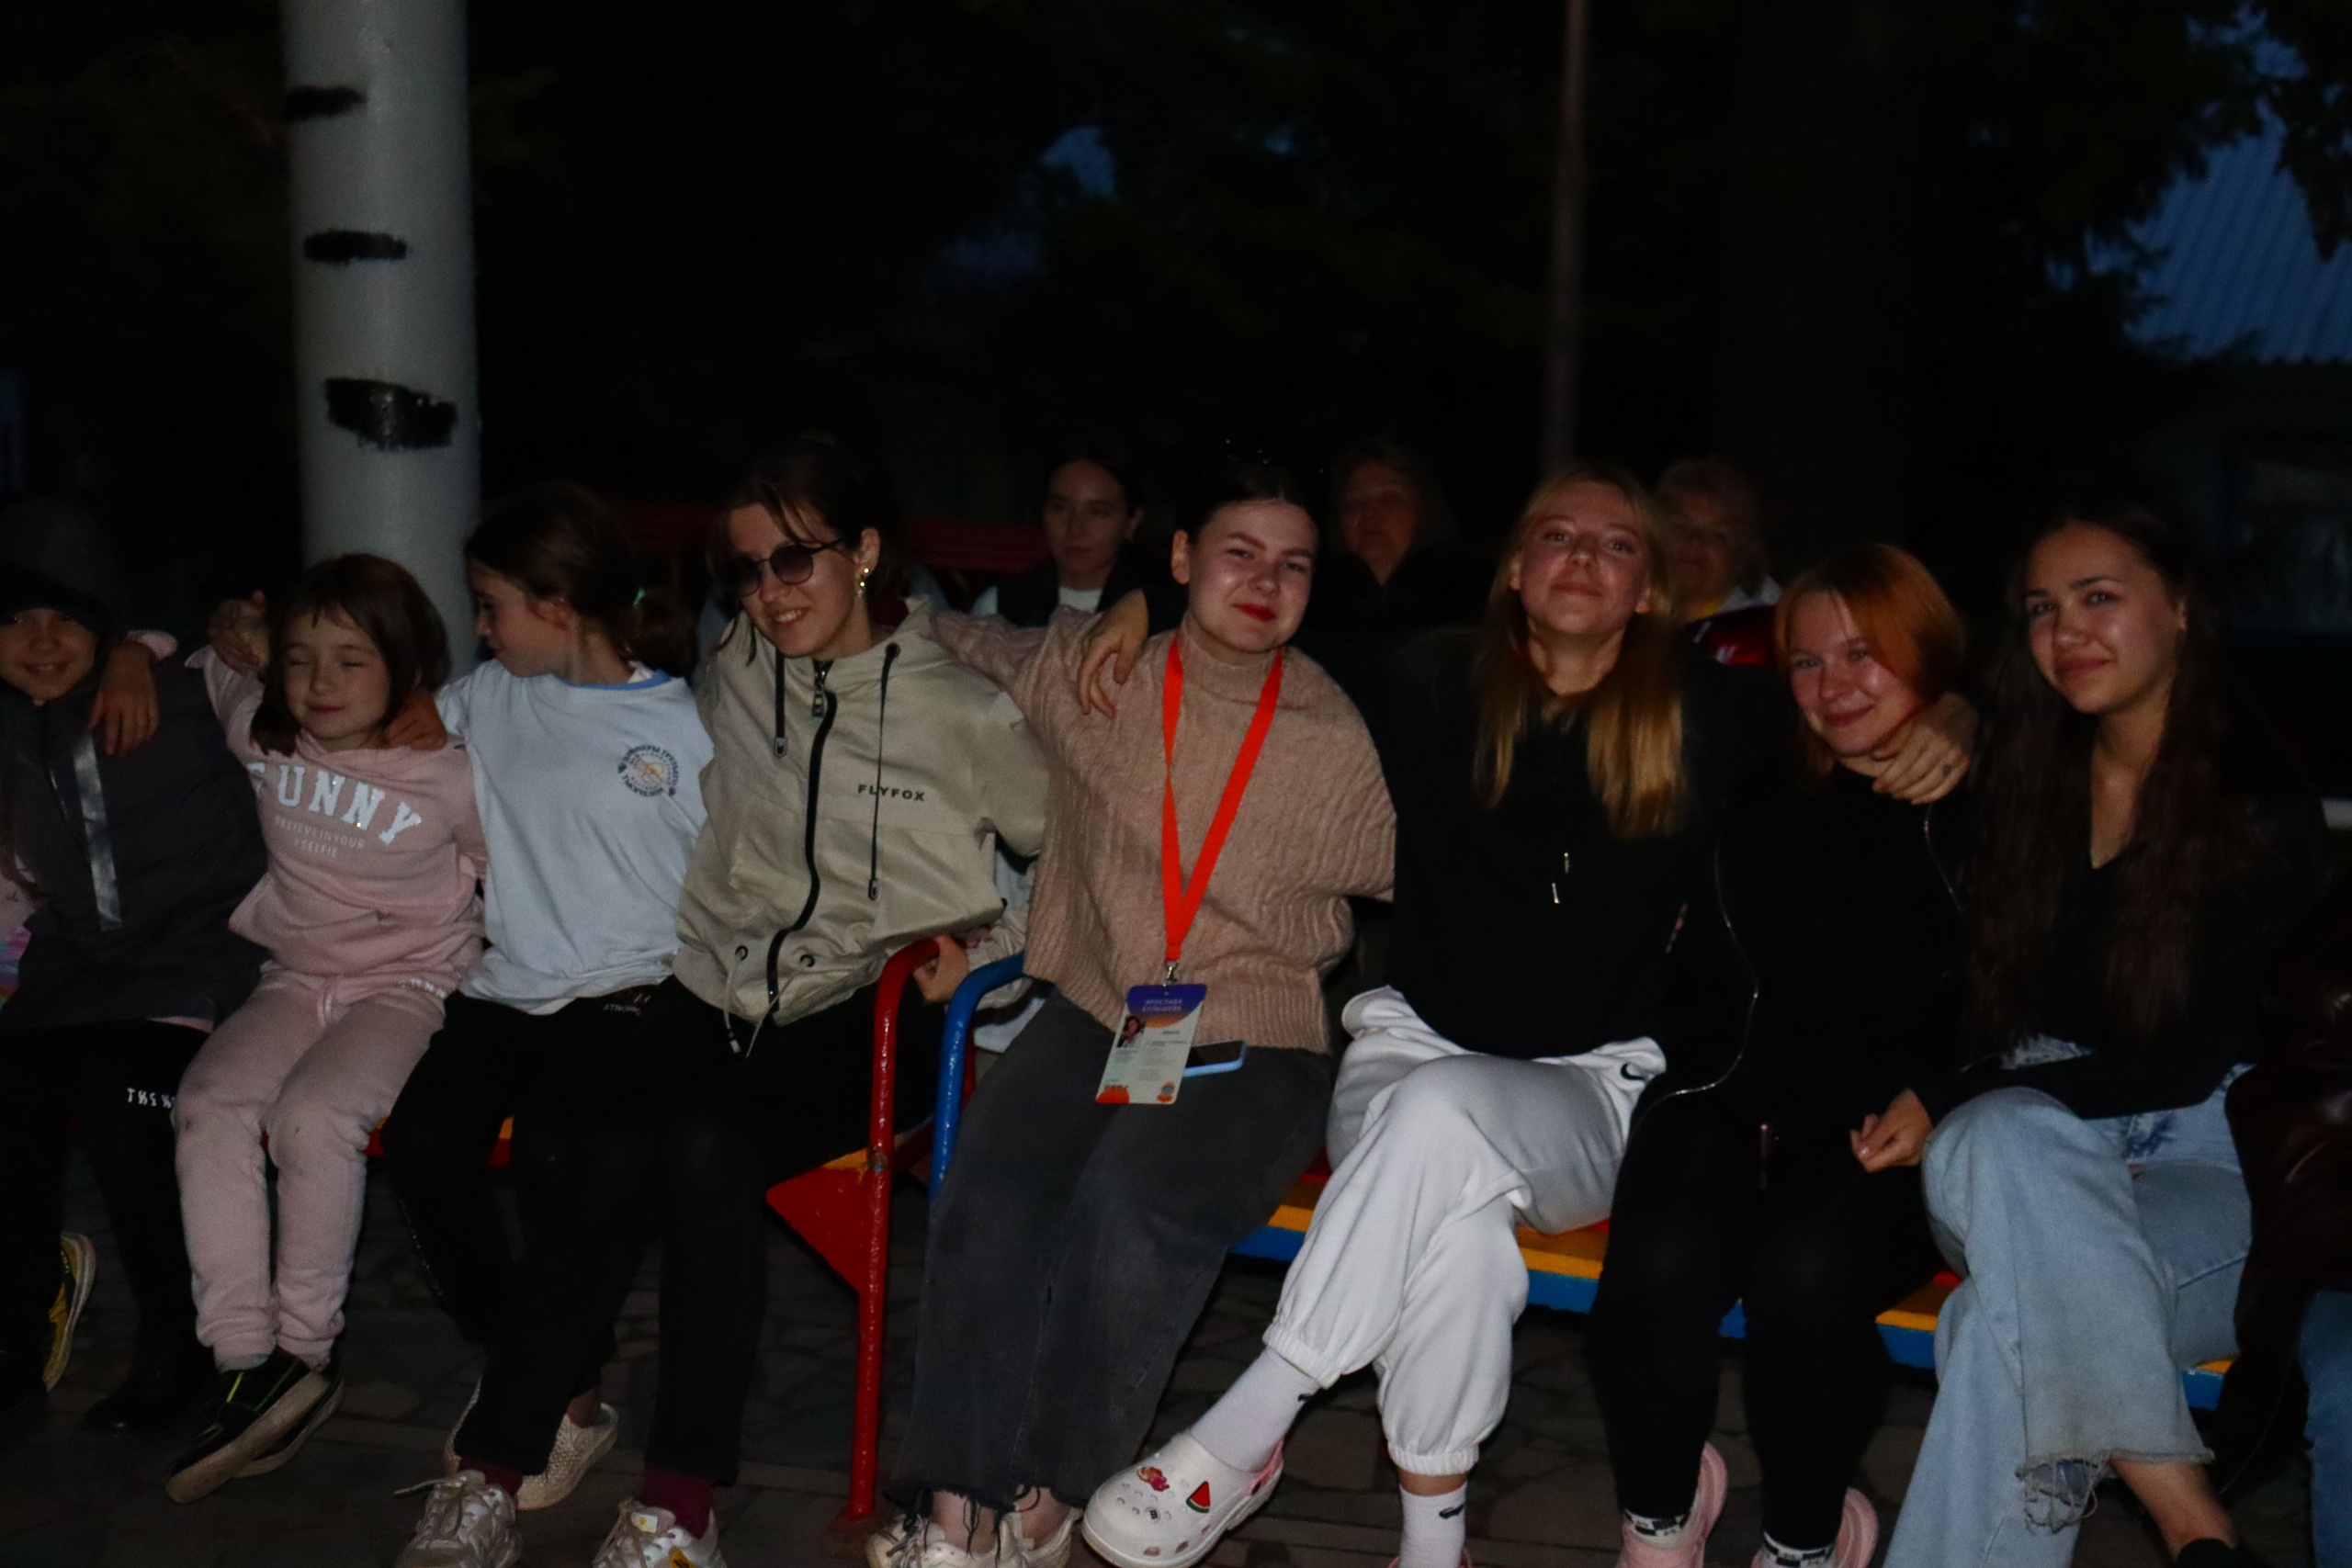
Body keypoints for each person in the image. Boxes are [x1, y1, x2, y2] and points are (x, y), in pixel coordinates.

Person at [1073, 468, 1973, 1568]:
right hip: (1411, 1047)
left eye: (1615, 543)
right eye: (1556, 535)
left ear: (1649, 590)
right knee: (1460, 1236)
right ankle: (1431, 1545)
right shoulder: (1427, 681)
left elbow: (1858, 706)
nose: (1583, 557)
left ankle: (1251, 1421)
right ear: (1512, 569)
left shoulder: (1708, 714)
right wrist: (1135, 599)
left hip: (1595, 1090)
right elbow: (1257, 619)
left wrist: (1958, 715)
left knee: (1441, 1119)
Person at [397, 434, 1046, 1568]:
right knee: (597, 1144)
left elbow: (1075, 848)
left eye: (795, 560)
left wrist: (1003, 944)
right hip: (720, 983)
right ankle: (494, 1468)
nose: (769, 592)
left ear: (864, 552)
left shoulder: (959, 707)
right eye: (746, 570)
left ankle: (680, 1506)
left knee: (703, 1151)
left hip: (874, 1002)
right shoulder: (740, 666)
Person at [872, 459, 1394, 1568]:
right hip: (1098, 1009)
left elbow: (1440, 860)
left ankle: (1051, 1487)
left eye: (1293, 565)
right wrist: (888, 606)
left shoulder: (1335, 737)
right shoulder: (1096, 679)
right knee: (988, 1192)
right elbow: (967, 638)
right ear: (1181, 560)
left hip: (1255, 1039)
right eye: (1238, 554)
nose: (1265, 583)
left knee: (1130, 1204)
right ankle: (956, 1504)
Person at [1871, 506, 2328, 1568]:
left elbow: (2190, 1056)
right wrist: (1957, 712)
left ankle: (2179, 1529)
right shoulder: (2019, 785)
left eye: (2098, 598)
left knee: (1998, 1321)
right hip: (2022, 1167)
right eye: (2041, 608)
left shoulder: (2259, 807)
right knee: (2002, 1139)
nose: (2065, 630)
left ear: (2180, 607)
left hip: (2206, 1160)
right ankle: (2194, 1524)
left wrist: (1948, 1098)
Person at [1588, 544, 1969, 1568]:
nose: (1834, 685)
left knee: (1803, 1272)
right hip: (1729, 1085)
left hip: (1889, 1117)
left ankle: (1807, 1535)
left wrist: (1943, 1092)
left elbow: (2021, 991)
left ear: (1925, 653)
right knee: (1659, 1261)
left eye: (1864, 653)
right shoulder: (1760, 766)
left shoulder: (1990, 800)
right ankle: (1660, 1515)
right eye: (1807, 660)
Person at [363, 486, 710, 1509]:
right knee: (423, 1144)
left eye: (491, 604)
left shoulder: (684, 724)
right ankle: (550, 1374)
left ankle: (558, 1395)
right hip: (506, 984)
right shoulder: (488, 695)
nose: (480, 626)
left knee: (559, 1154)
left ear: (557, 606)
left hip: (631, 990)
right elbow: (379, 713)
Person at [165, 555, 485, 1502]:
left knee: (313, 1119)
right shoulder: (264, 732)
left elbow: (513, 863)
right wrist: (193, 637)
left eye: (351, 660)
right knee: (210, 1105)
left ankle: (305, 1352)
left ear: (404, 667)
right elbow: (209, 654)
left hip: (409, 985)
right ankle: (246, 1358)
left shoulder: (450, 774)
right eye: (300, 658)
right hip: (294, 977)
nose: (319, 681)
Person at [0, 503, 267, 1437]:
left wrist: (143, 650)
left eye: (68, 620)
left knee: (123, 1097)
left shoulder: (180, 693)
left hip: (202, 953)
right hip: (78, 966)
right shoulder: (11, 724)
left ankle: (175, 1339)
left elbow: (252, 659)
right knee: (9, 1088)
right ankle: (15, 1327)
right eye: (15, 620)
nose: (42, 642)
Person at [1294, 439, 1488, 704]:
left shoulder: (1474, 607)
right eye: (1354, 504)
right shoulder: (1307, 607)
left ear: (1424, 512)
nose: (1370, 514)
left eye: (1390, 500)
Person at [971, 448, 1161, 625]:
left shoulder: (1160, 607)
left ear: (1132, 521)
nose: (1075, 529)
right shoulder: (1000, 606)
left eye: (1098, 512)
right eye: (1059, 508)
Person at [1657, 457, 1778, 667]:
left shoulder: (1760, 641)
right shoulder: (1622, 620)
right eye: (1681, 528)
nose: (1696, 542)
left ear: (1743, 557)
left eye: (1718, 536)